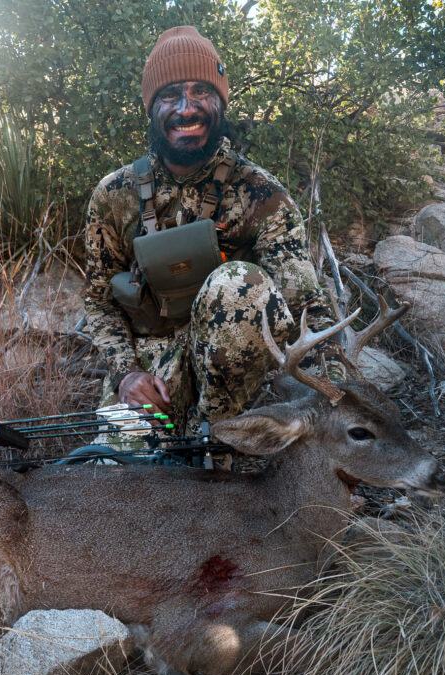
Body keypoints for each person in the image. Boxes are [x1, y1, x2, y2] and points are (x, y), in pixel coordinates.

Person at [83, 26, 345, 439]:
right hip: (151, 378)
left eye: (201, 91)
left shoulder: (262, 193)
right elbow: (99, 302)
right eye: (170, 95)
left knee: (237, 282)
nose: (186, 108)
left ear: (220, 103)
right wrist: (125, 375)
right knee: (119, 478)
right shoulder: (114, 194)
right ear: (151, 109)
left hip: (243, 384)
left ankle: (222, 444)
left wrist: (335, 402)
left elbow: (307, 307)